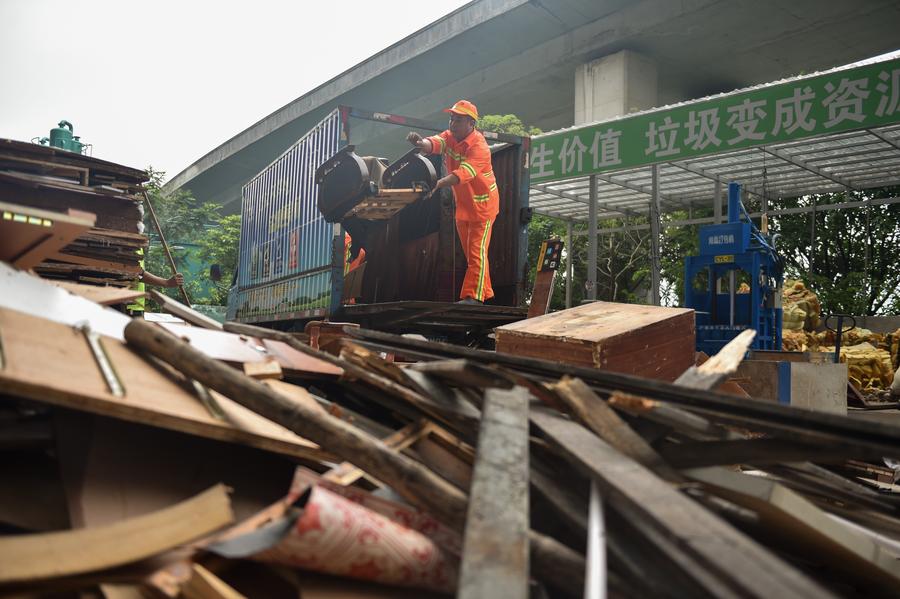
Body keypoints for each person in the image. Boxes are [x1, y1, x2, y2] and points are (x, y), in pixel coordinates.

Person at [406, 100, 499, 305]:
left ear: (471, 124)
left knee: (477, 253)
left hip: (483, 208)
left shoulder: (480, 147)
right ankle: (486, 292)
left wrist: (437, 184)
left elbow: (462, 175)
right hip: (464, 207)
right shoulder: (451, 137)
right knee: (473, 255)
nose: (452, 123)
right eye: (452, 118)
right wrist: (421, 144)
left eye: (458, 120)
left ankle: (473, 297)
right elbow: (436, 142)